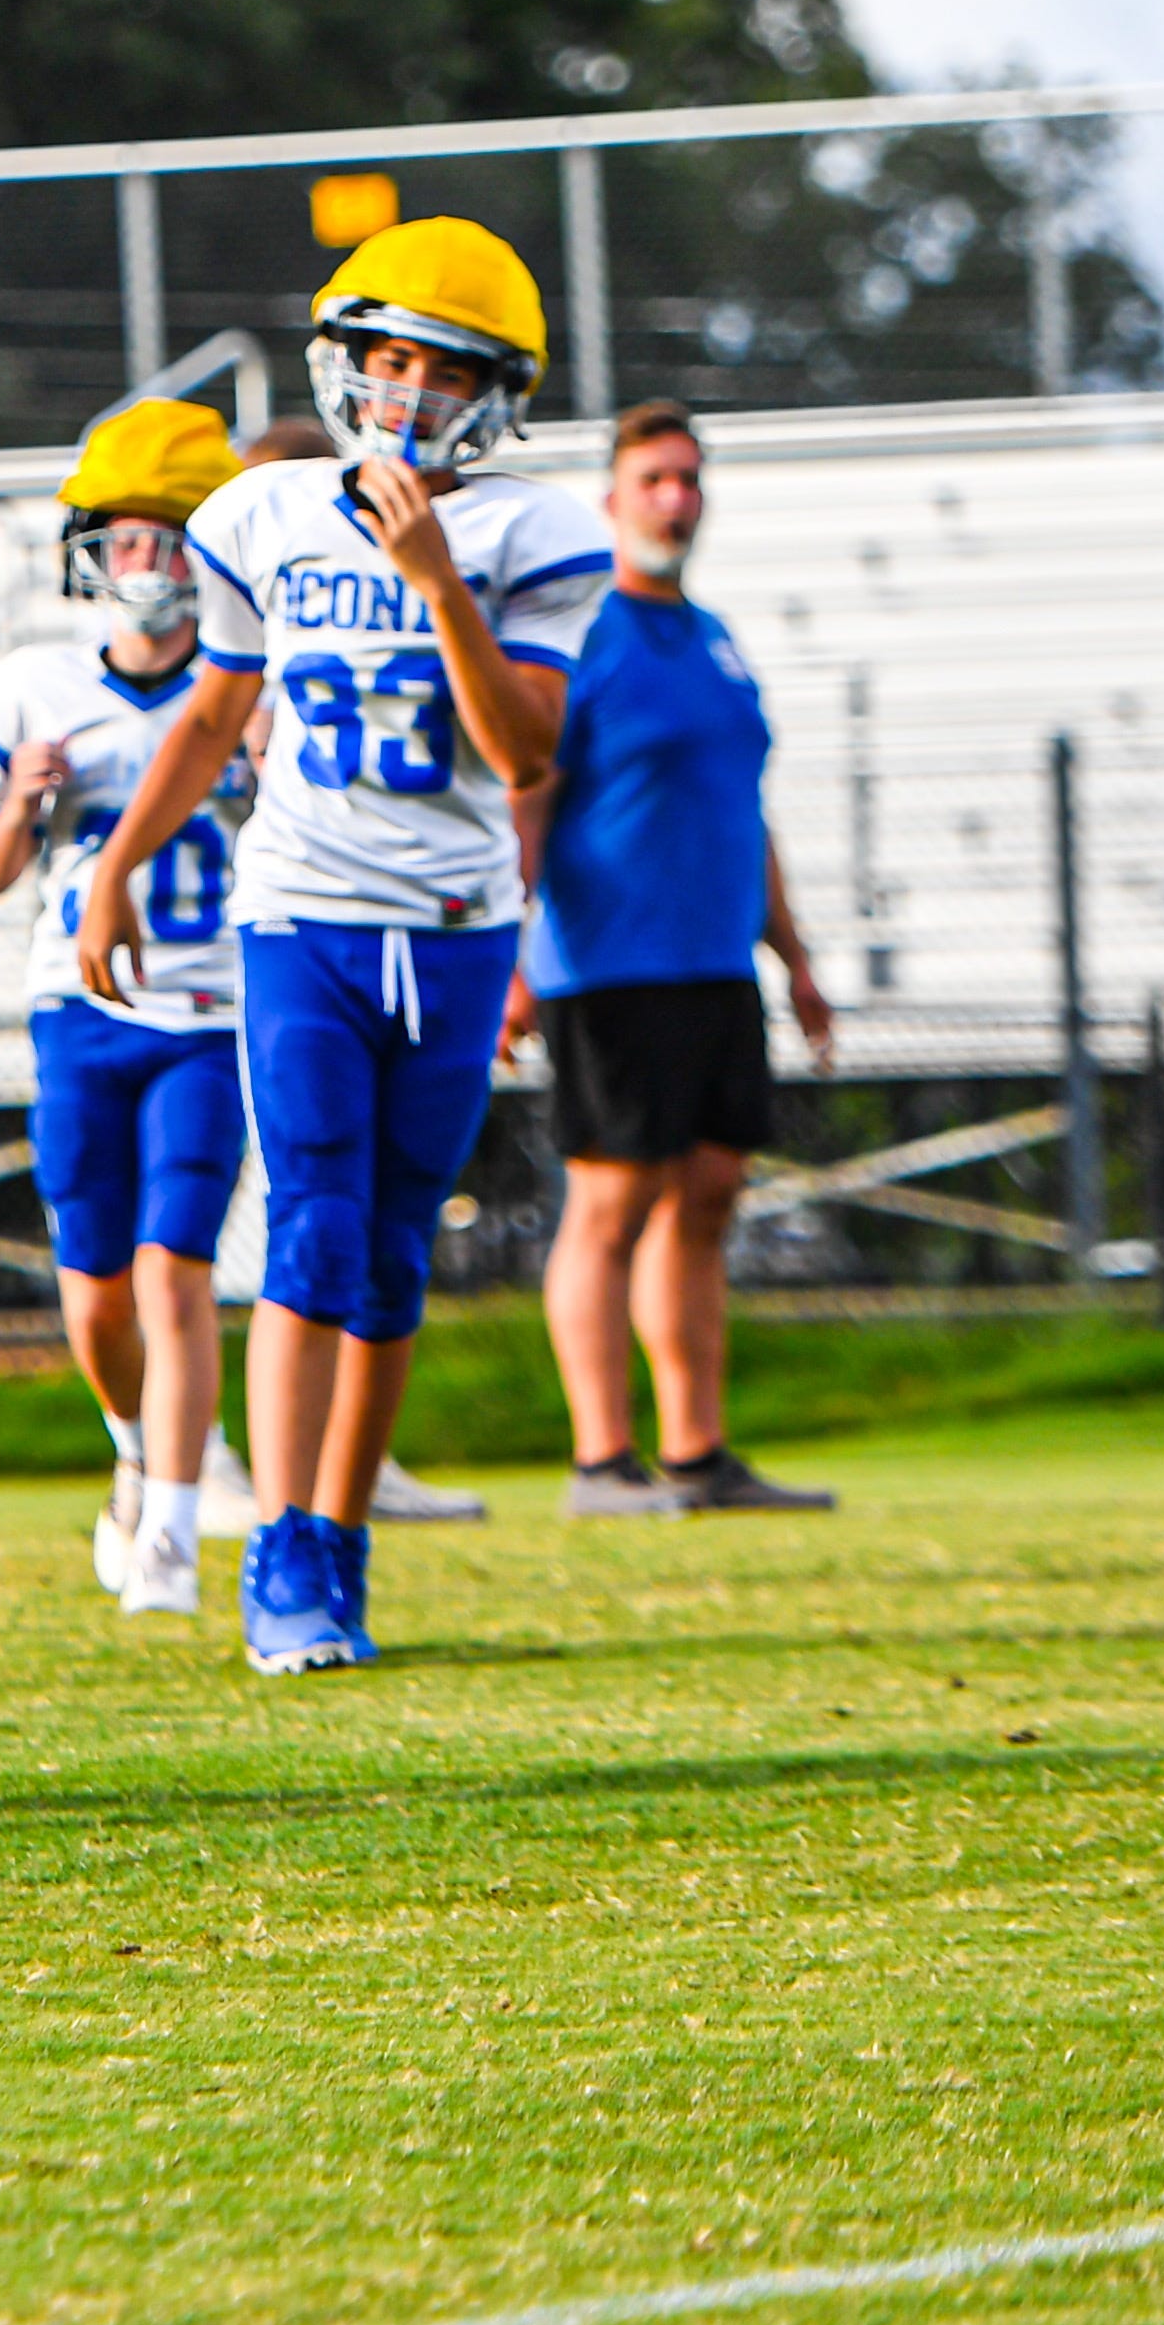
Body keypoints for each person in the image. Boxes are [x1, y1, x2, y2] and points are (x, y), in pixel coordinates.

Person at [81, 217, 609, 1673]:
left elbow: (522, 751)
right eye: (385, 358)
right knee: (310, 1219)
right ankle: (282, 1555)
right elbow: (211, 710)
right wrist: (117, 865)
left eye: (443, 368)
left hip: (451, 925)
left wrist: (435, 582)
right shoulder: (261, 514)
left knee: (386, 1252)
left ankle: (339, 1536)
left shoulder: (536, 534)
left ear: (494, 390)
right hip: (301, 909)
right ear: (341, 361)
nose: (407, 390)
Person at [509, 401, 842, 1515]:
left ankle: (696, 1454)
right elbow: (528, 795)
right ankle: (601, 1459)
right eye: (654, 478)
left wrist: (793, 957)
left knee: (707, 1192)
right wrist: (506, 956)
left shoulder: (712, 638)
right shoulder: (583, 632)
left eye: (689, 478)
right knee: (612, 1200)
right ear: (612, 498)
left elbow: (745, 809)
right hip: (608, 965)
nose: (675, 499)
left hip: (715, 964)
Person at [0, 400, 252, 1622]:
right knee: (92, 1288)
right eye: (125, 536)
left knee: (173, 1265)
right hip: (78, 1009)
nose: (146, 559)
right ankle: (135, 1448)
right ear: (90, 547)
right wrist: (22, 804)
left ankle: (175, 1530)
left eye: (170, 535)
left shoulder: (252, 686)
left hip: (211, 1007)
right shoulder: (33, 687)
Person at [194, 410, 492, 1542]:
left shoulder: (398, 600)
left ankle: (338, 1478)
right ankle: (200, 1465)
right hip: (248, 952)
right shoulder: (234, 636)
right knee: (256, 1220)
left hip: (372, 937)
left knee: (355, 1222)